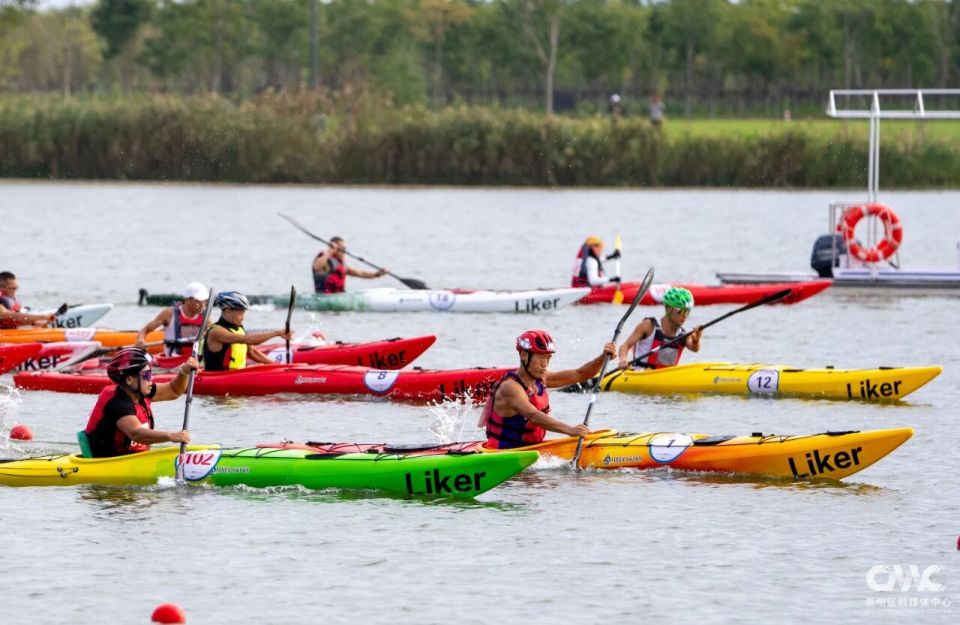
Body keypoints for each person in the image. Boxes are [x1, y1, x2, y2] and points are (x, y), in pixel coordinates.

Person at [479, 330, 617, 449]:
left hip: (531, 449)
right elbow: (533, 415)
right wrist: (571, 430)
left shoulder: (542, 378)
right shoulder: (510, 387)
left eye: (548, 357)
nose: (545, 364)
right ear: (523, 355)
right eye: (540, 357)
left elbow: (580, 374)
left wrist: (603, 357)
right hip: (502, 453)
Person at [82, 348, 195, 458]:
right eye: (146, 375)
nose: (150, 380)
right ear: (129, 380)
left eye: (150, 374)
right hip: (104, 463)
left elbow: (174, 390)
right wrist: (171, 436)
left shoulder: (139, 392)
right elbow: (136, 433)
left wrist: (184, 372)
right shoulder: (117, 402)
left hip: (129, 459)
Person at [201, 291, 292, 371]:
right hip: (218, 379)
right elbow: (249, 339)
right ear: (228, 311)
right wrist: (277, 333)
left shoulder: (239, 328)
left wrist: (275, 365)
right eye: (240, 313)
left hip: (237, 375)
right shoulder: (217, 331)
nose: (243, 318)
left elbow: (252, 352)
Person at [618, 286, 702, 370]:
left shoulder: (683, 335)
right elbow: (625, 346)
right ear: (669, 309)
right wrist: (623, 359)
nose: (685, 316)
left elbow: (694, 348)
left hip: (665, 379)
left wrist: (696, 340)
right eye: (682, 311)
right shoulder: (648, 326)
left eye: (687, 312)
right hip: (641, 376)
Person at [136, 282, 209, 356]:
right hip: (172, 360)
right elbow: (144, 330)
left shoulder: (206, 318)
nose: (203, 305)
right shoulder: (169, 313)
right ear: (188, 300)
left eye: (205, 301)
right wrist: (141, 339)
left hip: (195, 360)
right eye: (199, 301)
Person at [312, 236, 388, 293]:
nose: (344, 251)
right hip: (324, 297)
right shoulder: (325, 261)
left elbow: (361, 273)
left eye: (344, 249)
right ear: (334, 249)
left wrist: (377, 274)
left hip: (339, 296)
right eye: (342, 249)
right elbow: (316, 267)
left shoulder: (341, 265)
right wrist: (329, 251)